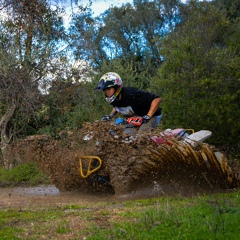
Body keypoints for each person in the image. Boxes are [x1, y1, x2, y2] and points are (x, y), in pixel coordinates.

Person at [95, 72, 162, 133]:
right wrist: (110, 116)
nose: (107, 92)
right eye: (104, 90)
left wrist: (148, 116)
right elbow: (117, 106)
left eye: (108, 89)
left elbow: (157, 98)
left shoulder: (132, 94)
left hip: (152, 116)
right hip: (136, 118)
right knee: (123, 134)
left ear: (116, 87)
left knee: (141, 136)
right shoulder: (113, 98)